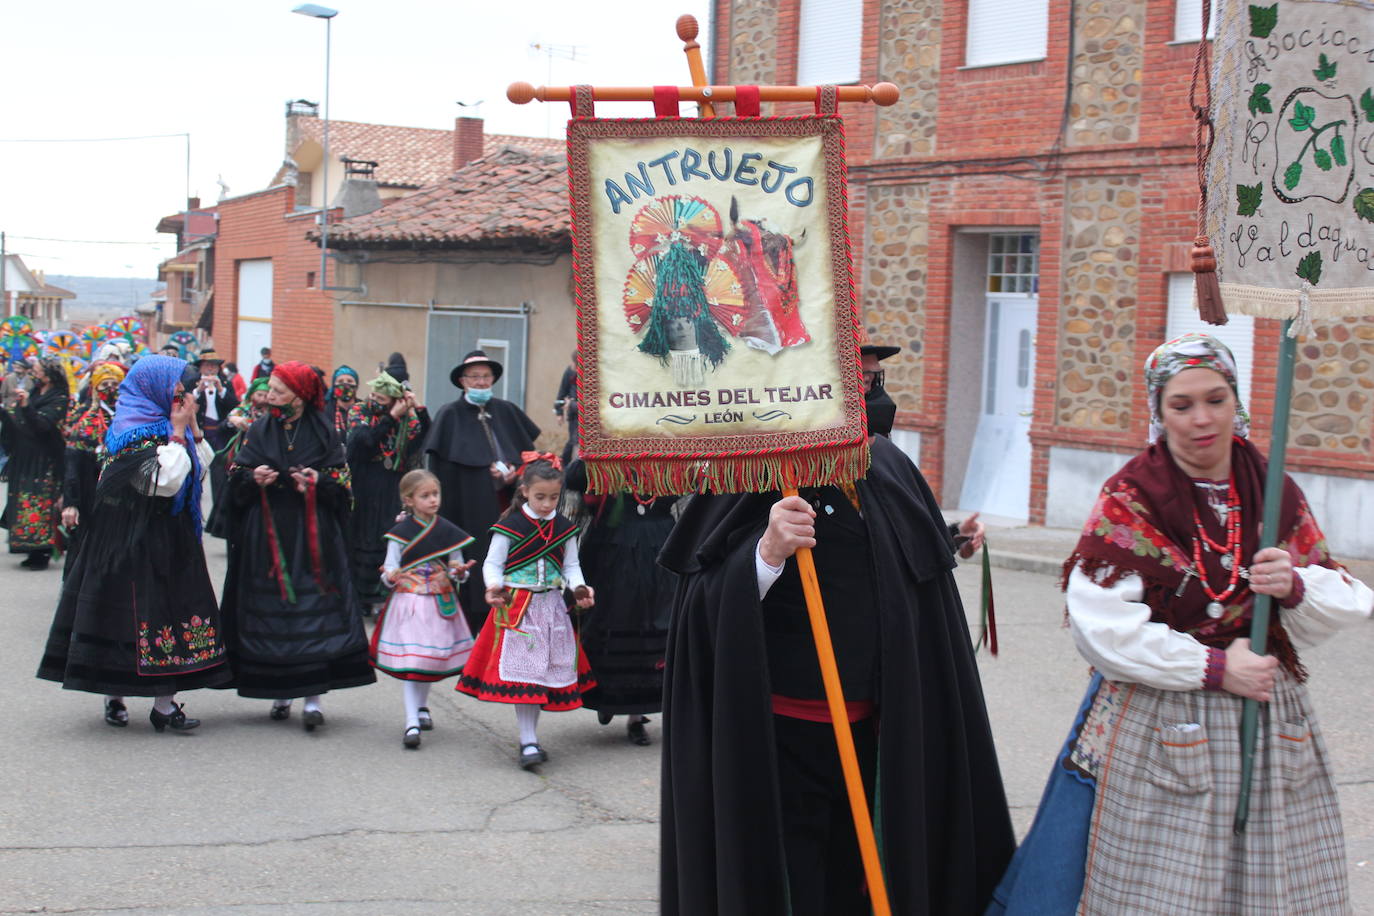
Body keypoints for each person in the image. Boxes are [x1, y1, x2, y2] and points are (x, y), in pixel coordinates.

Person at [987, 333, 1374, 915]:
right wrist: (1218, 667)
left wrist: (1292, 584)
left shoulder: (1273, 492)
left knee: (1271, 886)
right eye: (1182, 404)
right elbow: (1104, 631)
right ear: (1158, 412)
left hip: (1267, 721)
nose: (1202, 419)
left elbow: (1348, 600)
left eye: (1216, 400)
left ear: (1236, 400)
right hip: (1161, 718)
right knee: (1156, 892)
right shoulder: (1134, 496)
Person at [657, 376, 1014, 915]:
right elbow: (701, 599)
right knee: (796, 881)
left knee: (864, 881)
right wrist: (767, 553)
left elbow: (911, 560)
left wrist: (952, 536)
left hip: (882, 730)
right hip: (781, 735)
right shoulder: (756, 469)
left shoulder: (885, 461)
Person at [37, 355, 229, 731]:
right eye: (176, 385)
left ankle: (164, 706)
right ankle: (114, 697)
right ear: (154, 387)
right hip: (130, 540)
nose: (182, 392)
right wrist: (176, 433)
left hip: (170, 538)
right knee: (126, 617)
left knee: (171, 617)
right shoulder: (132, 428)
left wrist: (191, 428)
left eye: (183, 387)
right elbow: (163, 483)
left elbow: (199, 469)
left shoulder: (169, 424)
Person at [220, 360, 375, 728]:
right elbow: (235, 478)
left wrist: (319, 483)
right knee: (273, 614)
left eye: (278, 390)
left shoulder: (325, 433)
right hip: (267, 535)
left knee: (312, 611)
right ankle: (279, 692)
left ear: (300, 395)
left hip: (313, 537)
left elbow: (345, 490)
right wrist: (252, 478)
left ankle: (312, 699)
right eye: (270, 389)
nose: (270, 396)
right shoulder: (259, 430)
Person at [456, 455, 596, 769]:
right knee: (526, 675)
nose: (547, 504)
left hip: (552, 609)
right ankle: (528, 740)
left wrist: (580, 589)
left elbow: (571, 566)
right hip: (517, 608)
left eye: (554, 497)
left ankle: (530, 737)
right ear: (524, 492)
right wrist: (493, 586)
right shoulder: (510, 526)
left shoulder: (565, 528)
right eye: (540, 497)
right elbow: (492, 564)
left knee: (542, 673)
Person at [425, 350, 540, 634]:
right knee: (476, 563)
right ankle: (475, 624)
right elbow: (441, 470)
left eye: (485, 376)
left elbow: (528, 455)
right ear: (463, 381)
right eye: (474, 377)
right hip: (468, 505)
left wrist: (515, 472)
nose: (480, 382)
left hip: (508, 504)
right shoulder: (449, 415)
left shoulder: (507, 410)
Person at [563, 458, 675, 745]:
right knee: (614, 620)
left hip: (660, 552)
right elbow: (575, 479)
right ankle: (608, 696)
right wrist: (595, 455)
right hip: (613, 554)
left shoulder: (670, 456)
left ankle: (637, 716)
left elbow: (694, 484)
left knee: (656, 627)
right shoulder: (609, 459)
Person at [371, 469, 477, 749]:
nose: (433, 500)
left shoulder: (447, 531)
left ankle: (421, 707)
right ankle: (411, 721)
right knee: (414, 660)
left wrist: (460, 573)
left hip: (439, 601)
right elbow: (390, 566)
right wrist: (390, 576)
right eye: (425, 495)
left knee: (428, 658)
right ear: (409, 499)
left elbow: (457, 565)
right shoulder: (400, 533)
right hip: (410, 602)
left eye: (435, 494)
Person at [346, 367, 430, 613]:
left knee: (388, 535)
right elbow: (363, 443)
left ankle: (387, 596)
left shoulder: (408, 420)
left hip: (392, 485)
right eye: (374, 394)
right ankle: (359, 598)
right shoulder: (360, 411)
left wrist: (418, 408)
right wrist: (390, 417)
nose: (375, 399)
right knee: (362, 535)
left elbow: (426, 435)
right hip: (365, 483)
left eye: (382, 397)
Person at [0, 358, 70, 570]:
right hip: (24, 456)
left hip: (43, 460)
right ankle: (29, 548)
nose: (34, 373)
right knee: (22, 501)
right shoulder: (38, 390)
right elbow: (19, 418)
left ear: (48, 374)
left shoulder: (59, 396)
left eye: (37, 370)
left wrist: (25, 405)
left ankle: (42, 551)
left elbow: (42, 425)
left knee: (40, 503)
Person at [60, 361, 125, 574]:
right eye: (104, 384)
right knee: (88, 543)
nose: (110, 389)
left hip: (124, 494)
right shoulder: (87, 420)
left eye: (114, 384)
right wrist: (71, 502)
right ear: (95, 389)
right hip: (91, 493)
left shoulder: (131, 416)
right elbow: (73, 463)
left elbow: (174, 405)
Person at [204, 377, 271, 539]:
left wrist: (221, 390)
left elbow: (229, 401)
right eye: (259, 394)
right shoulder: (191, 390)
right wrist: (232, 421)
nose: (261, 399)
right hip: (231, 450)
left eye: (265, 395)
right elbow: (226, 420)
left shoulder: (225, 386)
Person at [554, 351, 578, 466]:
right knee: (572, 442)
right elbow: (562, 392)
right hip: (574, 417)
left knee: (574, 444)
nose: (573, 366)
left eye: (576, 365)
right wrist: (559, 412)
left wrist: (572, 405)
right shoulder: (570, 372)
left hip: (584, 417)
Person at [324, 365, 360, 440]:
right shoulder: (325, 410)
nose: (345, 385)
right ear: (334, 386)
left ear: (356, 386)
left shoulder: (364, 408)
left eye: (350, 381)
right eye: (340, 381)